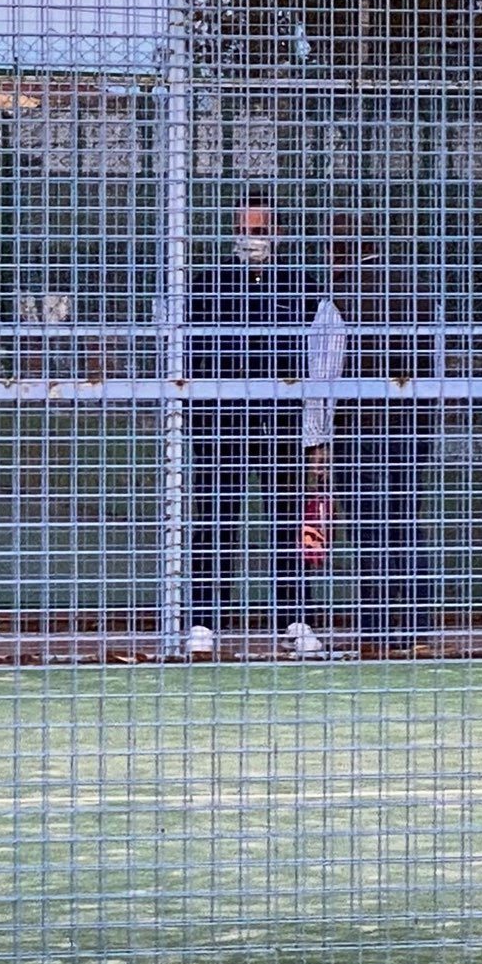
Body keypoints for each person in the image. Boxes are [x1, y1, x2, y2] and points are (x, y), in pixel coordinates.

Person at [183, 197, 329, 659]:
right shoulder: (207, 285)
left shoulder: (302, 288)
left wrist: (315, 434)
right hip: (220, 423)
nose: (251, 239)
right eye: (244, 229)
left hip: (280, 422)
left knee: (287, 522)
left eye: (260, 229)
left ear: (278, 234)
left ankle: (296, 617)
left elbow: (318, 363)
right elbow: (186, 353)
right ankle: (204, 621)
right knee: (214, 521)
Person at [309, 213, 437, 658]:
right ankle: (417, 628)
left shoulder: (337, 302)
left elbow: (323, 377)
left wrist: (318, 441)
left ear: (337, 252)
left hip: (358, 428)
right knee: (405, 521)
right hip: (411, 426)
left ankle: (378, 629)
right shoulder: (419, 293)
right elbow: (435, 366)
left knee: (368, 526)